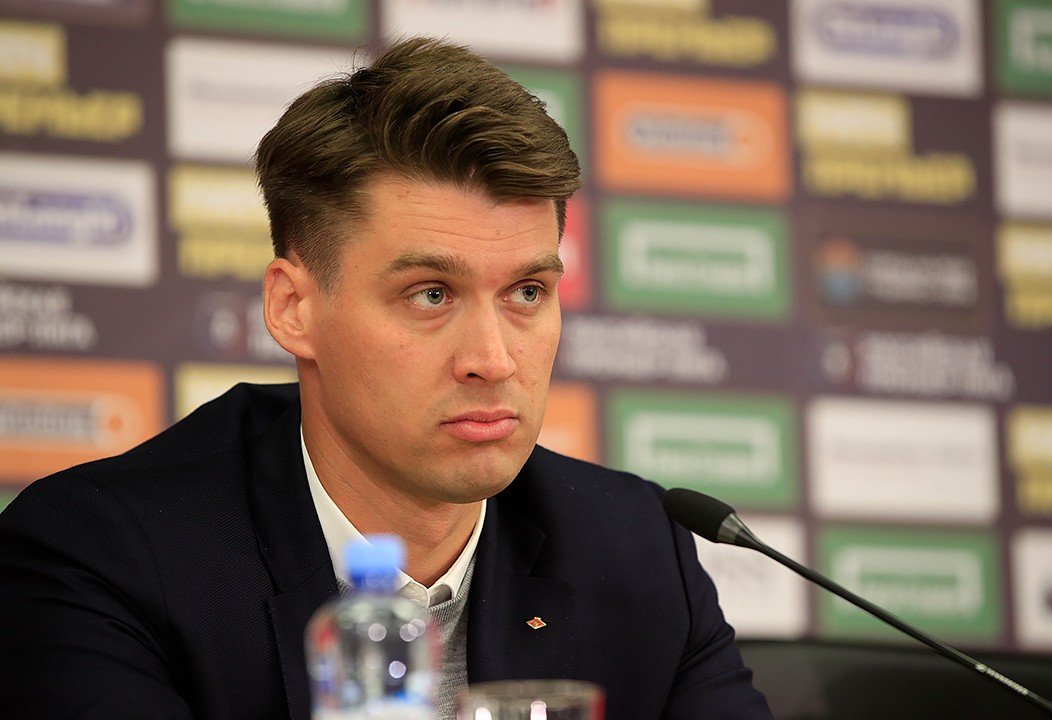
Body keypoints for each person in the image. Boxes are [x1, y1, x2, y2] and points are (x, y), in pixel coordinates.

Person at [0, 38, 773, 720]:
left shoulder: (635, 549)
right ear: (294, 308)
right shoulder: (103, 559)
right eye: (431, 295)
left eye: (527, 292)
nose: (494, 358)